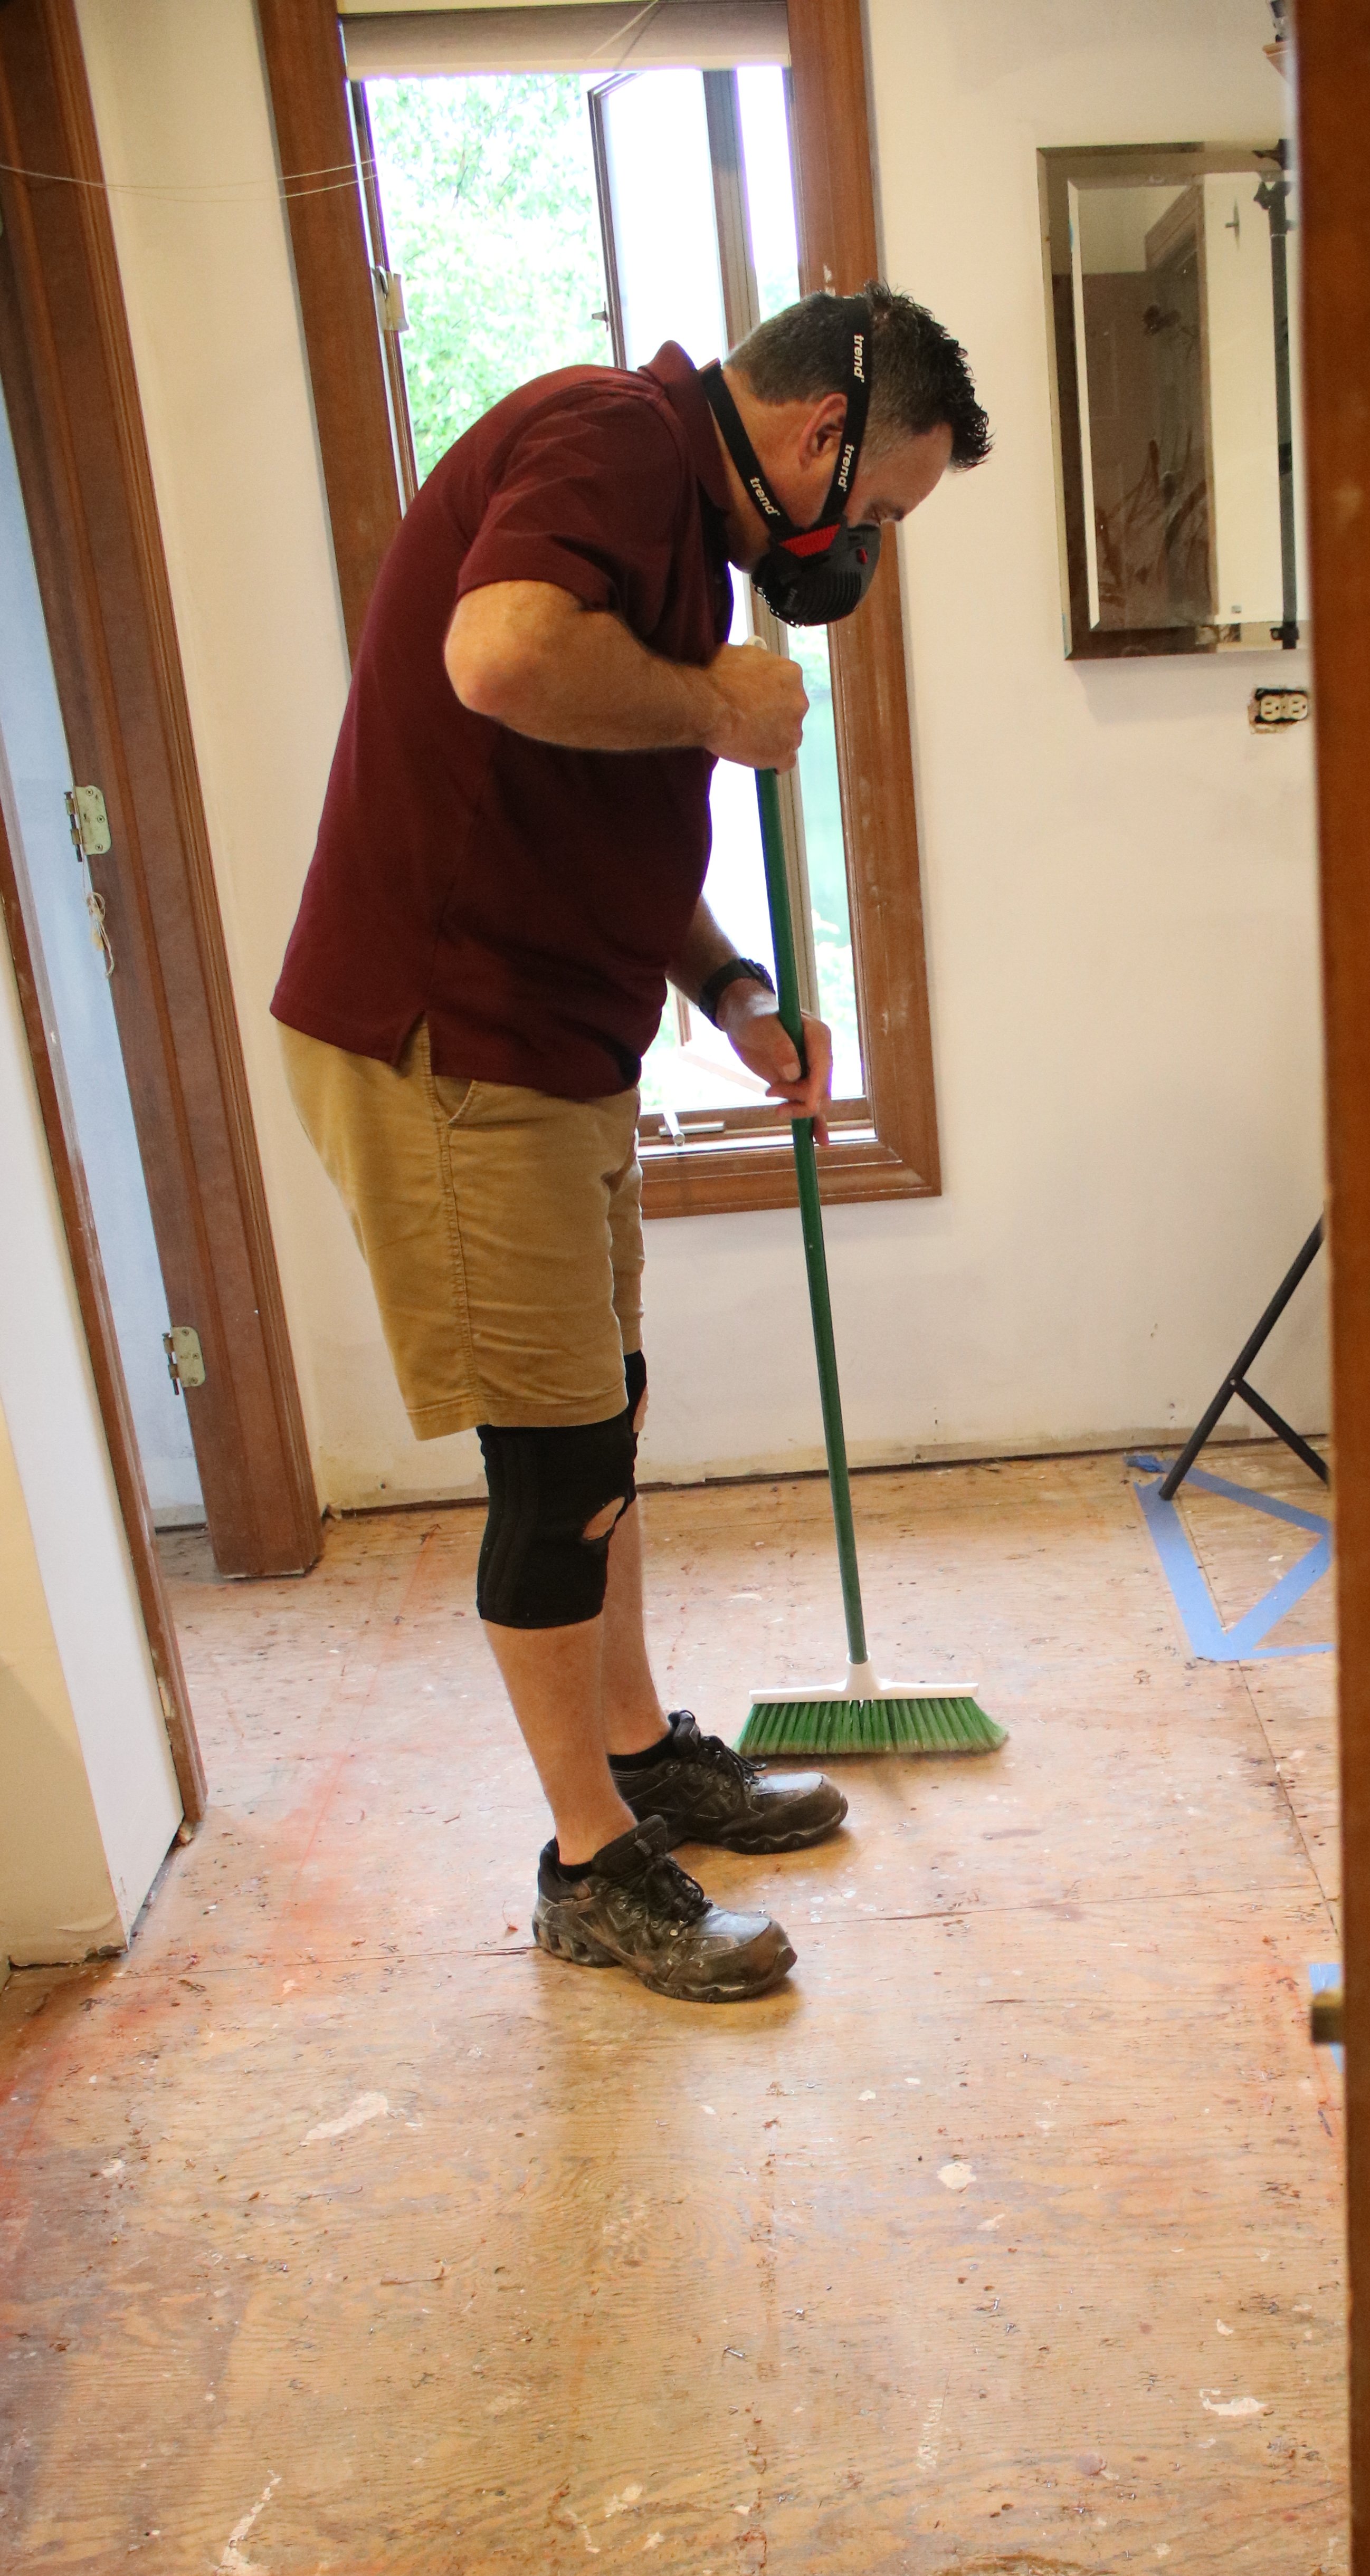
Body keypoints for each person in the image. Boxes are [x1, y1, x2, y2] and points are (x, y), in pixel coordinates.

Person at [272, 284, 990, 2004]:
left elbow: (591, 800)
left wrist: (735, 989)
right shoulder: (613, 438)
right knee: (558, 1459)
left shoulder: (671, 518)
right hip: (456, 1036)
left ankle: (641, 1752)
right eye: (879, 510)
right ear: (823, 436)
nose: (858, 550)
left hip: (560, 1035)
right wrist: (719, 712)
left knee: (606, 1410)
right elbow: (499, 658)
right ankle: (591, 1867)